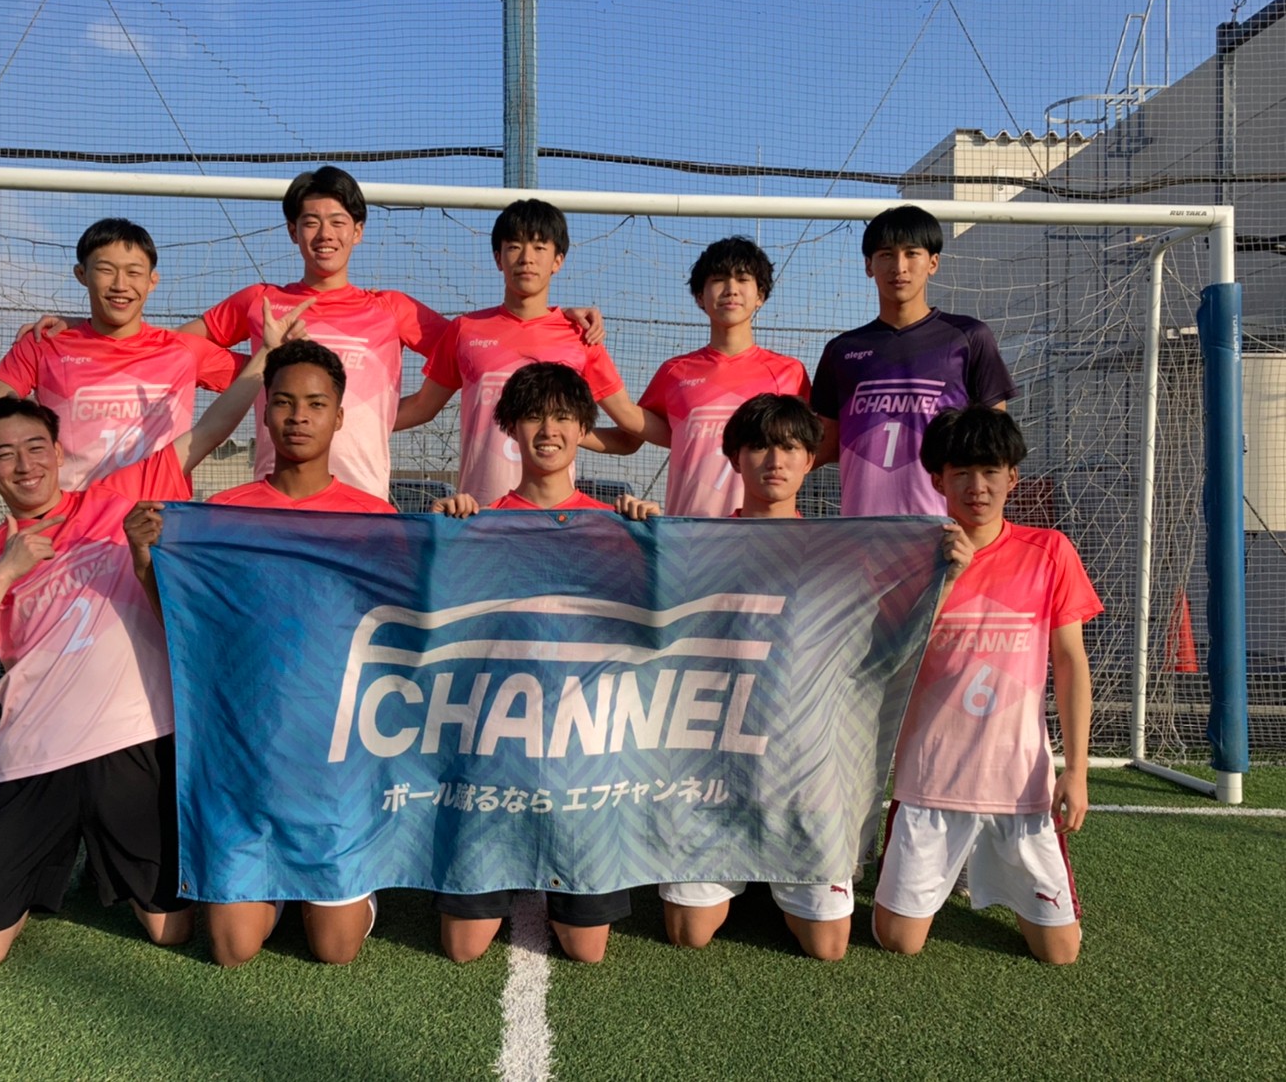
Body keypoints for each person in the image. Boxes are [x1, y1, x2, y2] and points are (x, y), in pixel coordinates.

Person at [0, 303, 299, 971]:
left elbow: (209, 428)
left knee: (170, 932)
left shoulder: (114, 499)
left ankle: (93, 854)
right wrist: (5, 571)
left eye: (35, 447)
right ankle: (50, 857)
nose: (24, 465)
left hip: (130, 745)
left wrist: (265, 356)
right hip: (36, 756)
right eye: (3, 454)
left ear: (58, 451)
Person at [9, 168, 601, 499]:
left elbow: (488, 347)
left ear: (358, 232)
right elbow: (160, 345)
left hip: (363, 500)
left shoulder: (391, 309)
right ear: (293, 231)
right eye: (311, 222)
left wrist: (558, 317)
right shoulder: (259, 302)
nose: (325, 234)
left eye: (338, 222)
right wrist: (88, 328)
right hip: (275, 494)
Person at [124, 338, 392, 967]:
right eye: (284, 402)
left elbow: (409, 627)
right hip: (246, 757)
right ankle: (275, 882)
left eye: (316, 404)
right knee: (231, 948)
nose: (299, 416)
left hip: (334, 757)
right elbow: (187, 630)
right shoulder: (221, 515)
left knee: (336, 950)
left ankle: (346, 885)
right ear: (264, 413)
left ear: (339, 417)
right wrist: (143, 561)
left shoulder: (375, 519)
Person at [429, 361, 655, 962]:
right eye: (532, 416)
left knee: (587, 951)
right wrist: (445, 537)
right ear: (510, 428)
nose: (548, 430)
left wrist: (656, 543)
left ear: (583, 428)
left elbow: (659, 623)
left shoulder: (612, 527)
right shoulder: (481, 524)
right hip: (496, 747)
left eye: (561, 417)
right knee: (462, 948)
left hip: (581, 750)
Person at [873, 406, 1100, 965]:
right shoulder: (916, 556)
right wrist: (947, 578)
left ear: (1012, 477)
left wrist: (1076, 770)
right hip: (930, 781)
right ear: (937, 481)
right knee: (899, 942)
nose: (978, 487)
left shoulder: (1050, 551)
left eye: (991, 471)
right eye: (962, 473)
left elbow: (1070, 662)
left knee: (1060, 953)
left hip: (1020, 786)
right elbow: (891, 657)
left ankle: (984, 872)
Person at [654, 392, 853, 959]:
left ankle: (776, 872)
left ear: (810, 459)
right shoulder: (698, 544)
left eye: (790, 447)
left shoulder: (839, 550)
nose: (775, 460)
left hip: (802, 764)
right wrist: (636, 533)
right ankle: (746, 864)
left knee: (827, 947)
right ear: (735, 456)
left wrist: (946, 572)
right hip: (714, 759)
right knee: (688, 934)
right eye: (761, 446)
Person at [0, 218, 247, 493]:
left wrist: (262, 302)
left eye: (134, 272)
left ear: (152, 281)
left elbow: (266, 374)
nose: (120, 285)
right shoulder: (44, 344)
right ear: (81, 274)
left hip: (158, 521)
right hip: (72, 522)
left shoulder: (184, 350)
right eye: (106, 270)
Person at [395, 198, 625, 507]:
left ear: (558, 260)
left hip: (553, 516)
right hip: (479, 511)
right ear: (498, 258)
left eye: (540, 247)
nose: (527, 258)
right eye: (515, 246)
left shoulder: (580, 335)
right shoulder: (465, 330)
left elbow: (629, 435)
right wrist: (342, 422)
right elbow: (421, 407)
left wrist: (565, 430)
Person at [810, 204, 1017, 516]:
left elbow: (993, 443)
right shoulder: (842, 350)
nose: (899, 267)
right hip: (861, 527)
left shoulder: (969, 337)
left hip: (944, 529)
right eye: (886, 254)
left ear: (933, 262)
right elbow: (823, 444)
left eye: (911, 253)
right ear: (868, 265)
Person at [585, 236, 811, 517]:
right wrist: (564, 431)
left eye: (742, 279)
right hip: (689, 536)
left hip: (763, 535)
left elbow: (809, 449)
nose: (731, 289)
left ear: (760, 295)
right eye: (718, 279)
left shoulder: (790, 373)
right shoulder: (675, 373)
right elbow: (628, 437)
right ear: (699, 296)